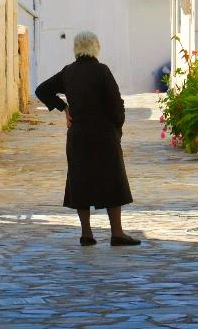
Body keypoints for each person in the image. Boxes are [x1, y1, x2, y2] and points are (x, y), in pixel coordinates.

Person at [35, 31, 141, 247]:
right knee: (113, 181)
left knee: (80, 180)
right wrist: (118, 126)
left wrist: (64, 108)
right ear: (96, 47)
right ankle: (117, 233)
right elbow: (115, 104)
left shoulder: (68, 72)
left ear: (76, 48)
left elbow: (42, 90)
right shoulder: (102, 71)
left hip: (78, 135)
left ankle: (86, 233)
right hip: (104, 135)